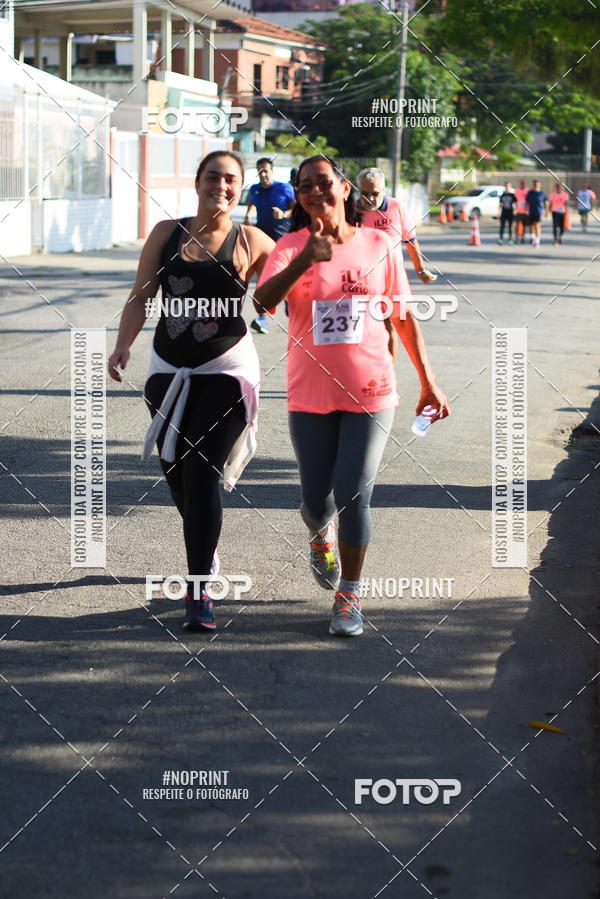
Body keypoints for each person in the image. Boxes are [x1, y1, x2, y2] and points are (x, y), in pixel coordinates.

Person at [254, 156, 450, 638]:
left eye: (324, 182)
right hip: (310, 392)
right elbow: (261, 303)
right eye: (305, 186)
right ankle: (320, 536)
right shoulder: (289, 246)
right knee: (315, 501)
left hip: (371, 390)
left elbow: (402, 315)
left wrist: (428, 381)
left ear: (345, 188)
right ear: (299, 197)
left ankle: (349, 595)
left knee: (354, 494)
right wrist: (306, 259)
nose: (315, 191)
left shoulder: (379, 244)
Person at [108, 151, 274, 632]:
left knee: (200, 471)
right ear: (198, 182)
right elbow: (141, 296)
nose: (221, 186)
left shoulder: (252, 240)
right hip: (167, 368)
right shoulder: (167, 233)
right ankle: (207, 543)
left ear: (241, 187)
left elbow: (287, 288)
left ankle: (199, 588)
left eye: (231, 179)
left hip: (228, 369)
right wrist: (123, 345)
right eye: (212, 177)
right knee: (176, 471)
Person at [245, 158, 295, 334]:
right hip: (262, 240)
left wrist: (283, 214)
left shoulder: (284, 188)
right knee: (263, 279)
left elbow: (297, 209)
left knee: (286, 279)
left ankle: (291, 310)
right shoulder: (255, 189)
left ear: (272, 171)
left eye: (266, 171)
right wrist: (248, 216)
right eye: (260, 171)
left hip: (283, 240)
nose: (263, 174)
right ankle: (262, 319)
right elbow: (252, 203)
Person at [525, 179, 548, 247]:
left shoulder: (542, 193)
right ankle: (533, 237)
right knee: (531, 226)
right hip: (531, 211)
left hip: (538, 212)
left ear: (539, 185)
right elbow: (527, 202)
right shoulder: (530, 193)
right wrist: (525, 209)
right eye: (534, 185)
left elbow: (546, 202)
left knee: (537, 226)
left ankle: (537, 241)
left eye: (537, 185)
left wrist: (546, 211)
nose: (536, 186)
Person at [513, 179, 529, 244]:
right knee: (518, 224)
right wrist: (515, 209)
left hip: (525, 211)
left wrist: (527, 209)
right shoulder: (516, 190)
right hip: (518, 210)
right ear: (520, 184)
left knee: (524, 225)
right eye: (522, 183)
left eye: (523, 183)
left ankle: (522, 237)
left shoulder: (528, 191)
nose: (523, 184)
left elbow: (529, 201)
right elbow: (514, 200)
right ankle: (517, 237)